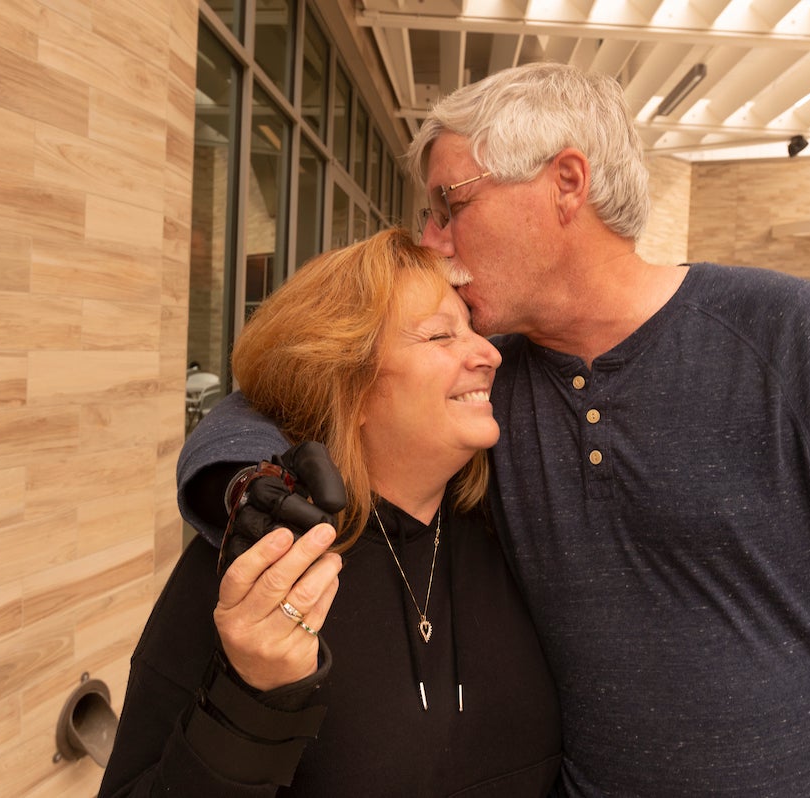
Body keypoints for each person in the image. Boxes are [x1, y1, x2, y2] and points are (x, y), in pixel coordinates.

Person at [176, 63, 810, 796]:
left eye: (450, 203)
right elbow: (286, 388)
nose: (435, 240)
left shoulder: (795, 338)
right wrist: (247, 485)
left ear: (567, 183)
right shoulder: (485, 385)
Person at [99, 229, 561, 796]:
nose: (490, 354)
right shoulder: (264, 560)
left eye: (475, 330)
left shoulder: (514, 530)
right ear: (352, 384)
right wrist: (253, 695)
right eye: (442, 335)